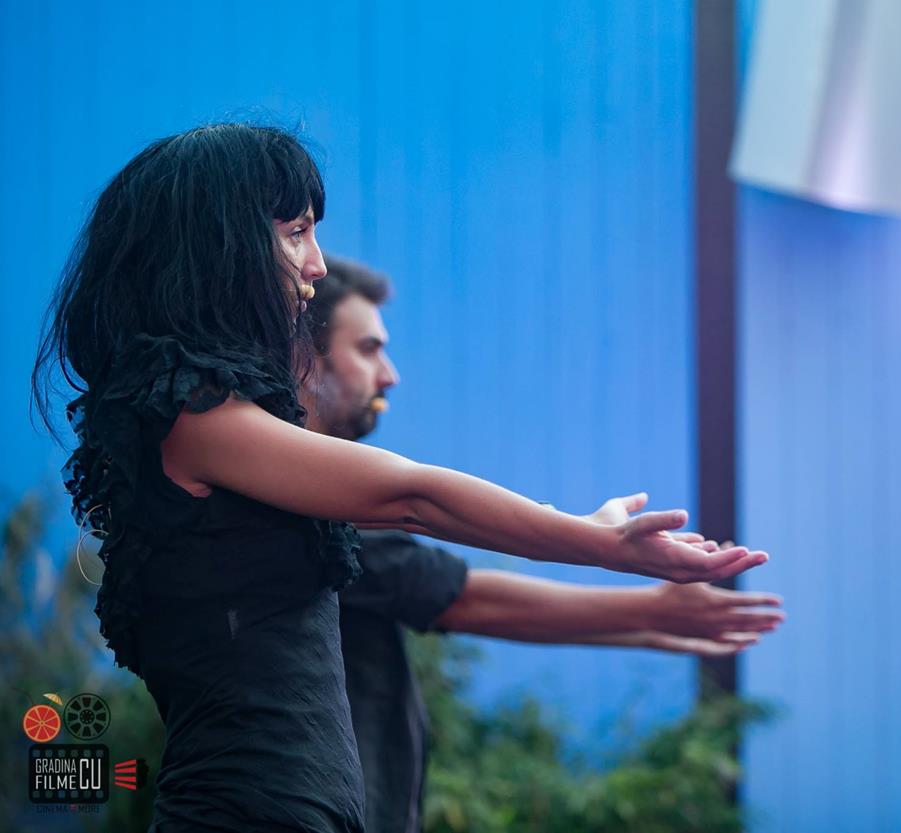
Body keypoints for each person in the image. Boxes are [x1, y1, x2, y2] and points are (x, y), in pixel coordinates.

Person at [30, 123, 768, 833]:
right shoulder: (194, 419)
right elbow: (411, 497)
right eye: (295, 232)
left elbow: (412, 516)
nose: (316, 264)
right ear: (218, 247)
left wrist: (591, 545)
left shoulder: (232, 446)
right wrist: (595, 543)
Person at [303, 256, 786, 833]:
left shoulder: (328, 497)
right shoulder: (305, 503)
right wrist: (637, 595)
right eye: (368, 349)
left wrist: (644, 611)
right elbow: (457, 594)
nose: (390, 376)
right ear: (303, 354)